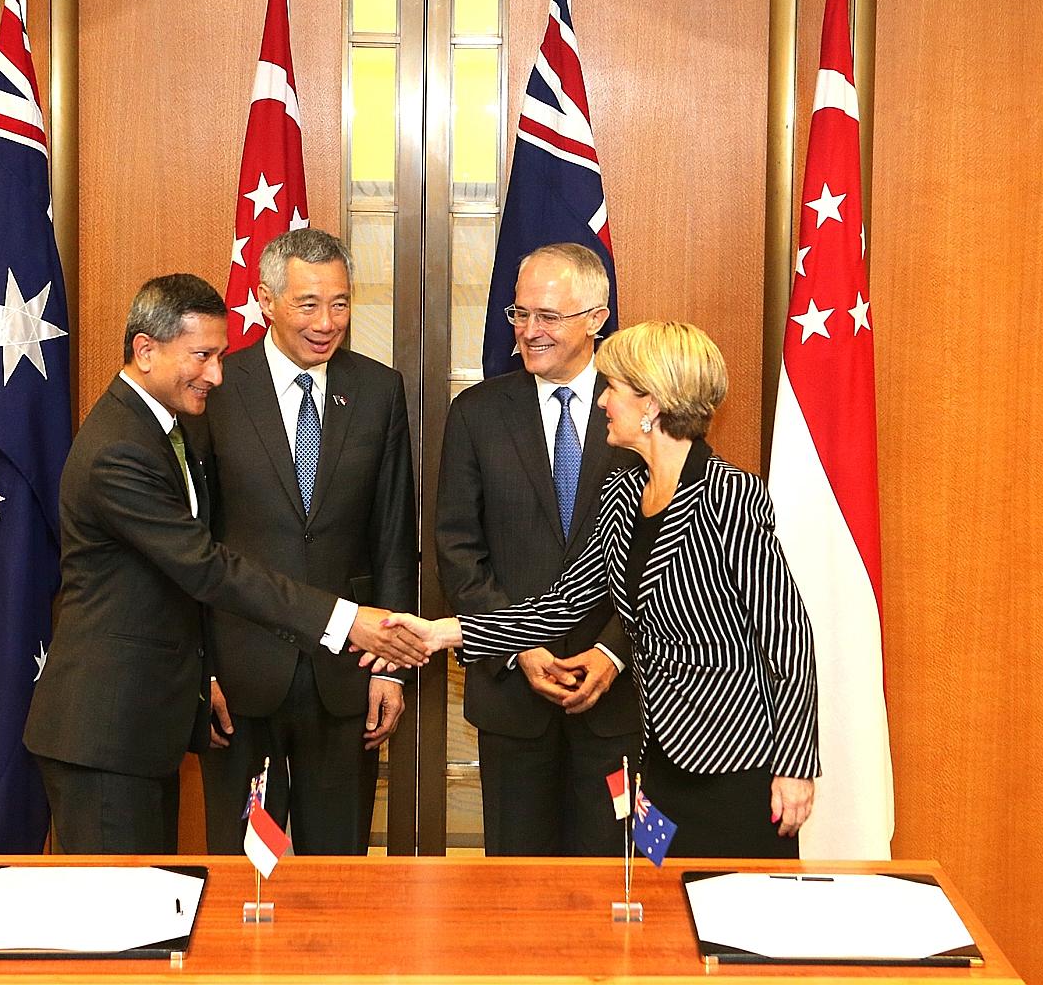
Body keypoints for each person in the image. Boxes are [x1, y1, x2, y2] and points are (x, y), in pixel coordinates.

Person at [23, 273, 425, 854]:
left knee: (151, 913)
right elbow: (208, 566)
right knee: (120, 926)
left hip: (140, 727)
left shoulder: (154, 430)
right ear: (146, 350)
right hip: (105, 730)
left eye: (218, 355)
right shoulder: (121, 449)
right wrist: (344, 621)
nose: (216, 373)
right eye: (203, 356)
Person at [385, 321, 818, 858]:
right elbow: (565, 602)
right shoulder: (626, 489)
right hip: (653, 755)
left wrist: (795, 767)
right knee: (660, 917)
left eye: (613, 388)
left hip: (732, 763)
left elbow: (788, 636)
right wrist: (440, 633)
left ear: (651, 405)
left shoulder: (731, 494)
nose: (601, 402)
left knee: (727, 925)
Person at [197, 229, 416, 855]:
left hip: (347, 674)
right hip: (240, 676)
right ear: (265, 299)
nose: (327, 323)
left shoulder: (378, 391)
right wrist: (201, 670)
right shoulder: (216, 388)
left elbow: (393, 537)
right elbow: (195, 543)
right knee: (241, 871)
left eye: (341, 304)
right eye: (309, 304)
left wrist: (393, 668)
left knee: (340, 869)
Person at [435, 243, 643, 856]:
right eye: (519, 314)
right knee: (515, 889)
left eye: (547, 317)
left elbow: (669, 555)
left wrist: (612, 651)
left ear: (596, 318)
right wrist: (519, 644)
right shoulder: (475, 413)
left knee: (619, 875)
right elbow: (457, 548)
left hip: (618, 699)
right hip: (513, 700)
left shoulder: (639, 409)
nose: (529, 331)